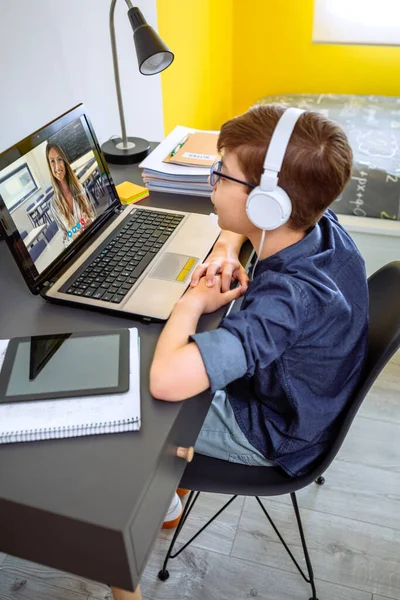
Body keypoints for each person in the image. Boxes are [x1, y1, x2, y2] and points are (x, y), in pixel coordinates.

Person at [150, 104, 369, 523]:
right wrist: (228, 249)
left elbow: (166, 381)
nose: (211, 179)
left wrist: (191, 302)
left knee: (140, 397)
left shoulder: (286, 303)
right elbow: (244, 221)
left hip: (268, 431)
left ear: (269, 206)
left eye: (221, 172)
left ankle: (160, 503)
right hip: (304, 400)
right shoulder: (319, 227)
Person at [45, 142, 95, 246]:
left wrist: (90, 221)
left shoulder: (79, 188)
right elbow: (65, 236)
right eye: (52, 161)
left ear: (64, 161)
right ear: (49, 166)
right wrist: (73, 235)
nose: (57, 167)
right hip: (77, 250)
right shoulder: (54, 204)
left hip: (93, 238)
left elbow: (93, 215)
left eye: (59, 159)